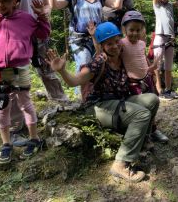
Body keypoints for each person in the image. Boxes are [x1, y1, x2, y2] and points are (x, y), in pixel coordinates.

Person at [46, 22, 159, 182]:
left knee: (152, 99)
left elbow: (138, 50)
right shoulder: (99, 62)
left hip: (118, 102)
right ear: (102, 46)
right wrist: (62, 70)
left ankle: (141, 140)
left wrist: (150, 68)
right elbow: (75, 81)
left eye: (116, 41)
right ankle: (121, 163)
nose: (114, 46)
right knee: (141, 114)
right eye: (109, 43)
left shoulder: (122, 55)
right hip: (98, 107)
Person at [0, 0, 49, 163]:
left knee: (25, 103)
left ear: (16, 0)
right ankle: (6, 143)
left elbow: (43, 33)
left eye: (5, 0)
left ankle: (34, 138)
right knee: (2, 107)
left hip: (20, 68)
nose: (0, 4)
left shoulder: (26, 19)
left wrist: (42, 16)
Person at [48, 0, 122, 98]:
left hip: (97, 38)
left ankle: (94, 95)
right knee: (84, 65)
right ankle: (81, 99)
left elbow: (117, 5)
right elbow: (55, 5)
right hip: (79, 39)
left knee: (99, 66)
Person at [120, 11, 168, 143]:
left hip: (146, 78)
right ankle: (142, 132)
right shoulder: (121, 44)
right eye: (131, 30)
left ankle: (152, 129)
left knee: (153, 104)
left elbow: (142, 58)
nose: (134, 33)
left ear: (142, 30)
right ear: (124, 29)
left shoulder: (141, 43)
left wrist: (150, 70)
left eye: (138, 30)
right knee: (141, 108)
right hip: (133, 83)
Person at [148, 0, 178, 99]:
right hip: (160, 36)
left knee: (168, 66)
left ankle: (168, 89)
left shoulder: (170, 6)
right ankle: (158, 89)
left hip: (170, 37)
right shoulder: (157, 5)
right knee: (157, 64)